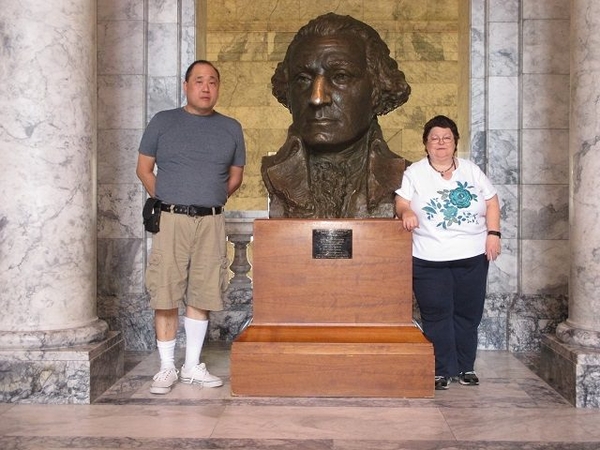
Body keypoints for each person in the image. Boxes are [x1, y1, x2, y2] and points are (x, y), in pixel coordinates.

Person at [136, 60, 246, 394]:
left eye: (212, 81)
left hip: (211, 220)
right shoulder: (163, 122)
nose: (206, 87)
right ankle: (167, 367)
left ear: (218, 88)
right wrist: (171, 198)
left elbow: (236, 176)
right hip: (171, 219)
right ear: (186, 86)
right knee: (166, 291)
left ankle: (192, 366)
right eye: (199, 81)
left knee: (203, 290)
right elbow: (144, 169)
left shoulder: (230, 127)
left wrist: (207, 197)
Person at [262, 12, 411, 218]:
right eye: (303, 79)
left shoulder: (406, 176)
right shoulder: (275, 173)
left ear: (377, 88)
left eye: (340, 77)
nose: (317, 98)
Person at [395, 115, 501, 391]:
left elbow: (491, 202)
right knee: (437, 315)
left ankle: (466, 367)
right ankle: (441, 370)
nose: (441, 143)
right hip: (429, 258)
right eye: (435, 138)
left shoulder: (471, 170)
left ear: (455, 143)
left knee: (468, 314)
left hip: (472, 256)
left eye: (446, 138)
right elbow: (401, 201)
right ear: (426, 144)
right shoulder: (415, 173)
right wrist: (406, 212)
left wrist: (494, 234)